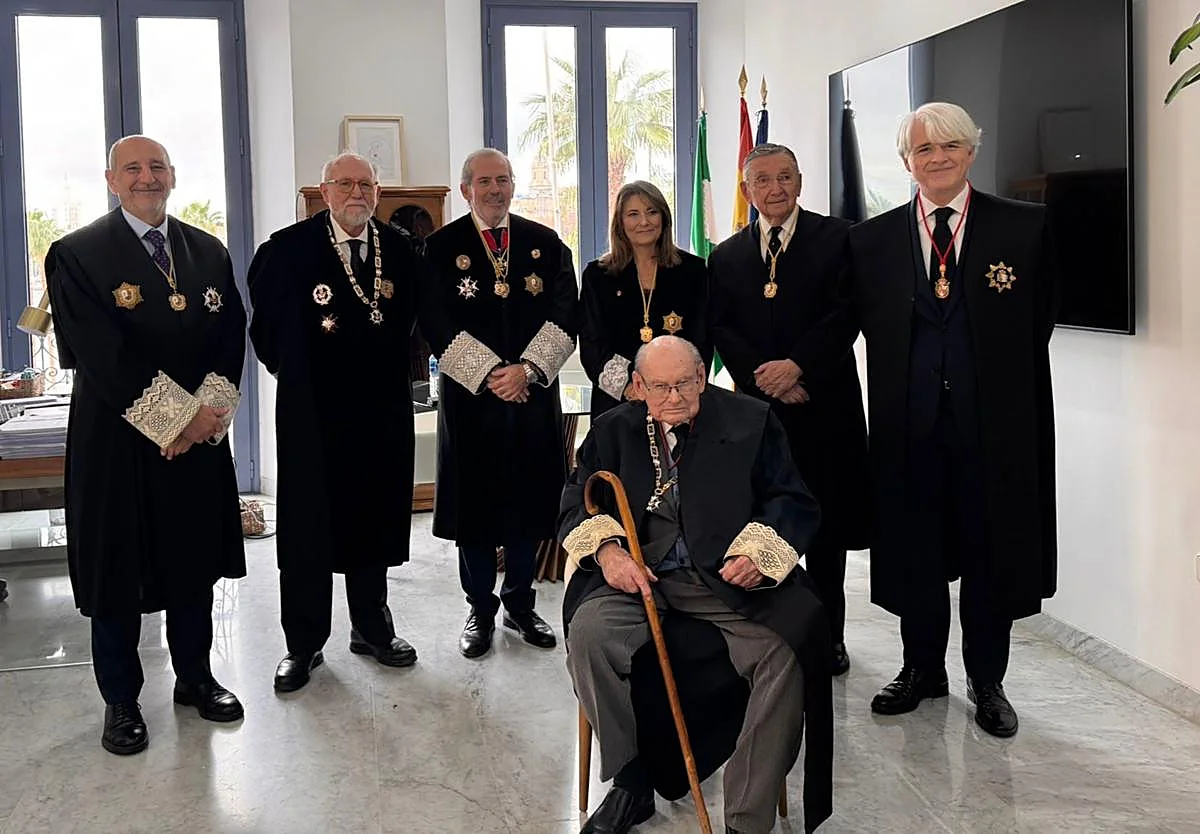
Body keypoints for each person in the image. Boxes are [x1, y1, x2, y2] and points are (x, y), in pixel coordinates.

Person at [559, 335, 832, 834]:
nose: (674, 397)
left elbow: (789, 498)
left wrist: (757, 550)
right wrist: (609, 551)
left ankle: (746, 819)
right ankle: (631, 782)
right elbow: (579, 499)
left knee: (787, 651)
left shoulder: (751, 420)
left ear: (703, 377)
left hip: (722, 579)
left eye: (685, 383)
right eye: (660, 387)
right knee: (590, 636)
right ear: (637, 386)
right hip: (639, 579)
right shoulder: (613, 431)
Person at [848, 102, 1058, 737]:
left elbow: (1038, 321)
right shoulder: (874, 239)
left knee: (990, 553)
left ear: (971, 152)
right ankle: (921, 671)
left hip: (994, 429)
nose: (936, 158)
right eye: (922, 149)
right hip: (906, 429)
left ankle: (986, 680)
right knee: (916, 550)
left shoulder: (1024, 227)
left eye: (949, 147)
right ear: (906, 161)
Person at [44, 135, 247, 755]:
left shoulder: (207, 250)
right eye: (132, 168)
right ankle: (122, 701)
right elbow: (103, 354)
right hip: (118, 445)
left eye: (157, 166)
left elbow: (230, 332)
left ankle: (195, 678)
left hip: (197, 443)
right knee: (117, 574)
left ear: (174, 176)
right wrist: (177, 422)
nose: (146, 177)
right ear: (112, 180)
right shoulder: (76, 255)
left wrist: (208, 415)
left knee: (193, 564)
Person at [248, 151, 423, 692]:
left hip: (381, 415)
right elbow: (267, 334)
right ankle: (303, 645)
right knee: (308, 529)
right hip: (312, 417)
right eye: (344, 183)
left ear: (377, 191)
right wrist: (306, 378)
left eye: (366, 184)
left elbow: (415, 324)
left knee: (373, 521)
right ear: (324, 192)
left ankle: (371, 628)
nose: (356, 193)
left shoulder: (398, 249)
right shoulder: (286, 251)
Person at [708, 143, 869, 676]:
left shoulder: (839, 238)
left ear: (799, 181)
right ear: (746, 189)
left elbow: (847, 314)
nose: (774, 190)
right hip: (759, 414)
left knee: (826, 530)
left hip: (826, 407)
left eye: (784, 178)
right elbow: (721, 327)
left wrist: (798, 367)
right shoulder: (727, 255)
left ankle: (829, 636)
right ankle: (774, 630)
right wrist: (766, 376)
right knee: (766, 521)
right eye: (762, 181)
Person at [421, 148, 579, 658]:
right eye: (484, 181)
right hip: (472, 401)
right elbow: (434, 322)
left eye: (503, 180)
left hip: (531, 396)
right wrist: (491, 374)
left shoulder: (544, 243)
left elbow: (565, 313)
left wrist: (526, 372)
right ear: (466, 188)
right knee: (476, 506)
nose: (495, 190)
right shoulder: (441, 248)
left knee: (530, 501)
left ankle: (520, 603)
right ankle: (480, 608)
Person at [579, 180, 709, 418]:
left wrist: (672, 390)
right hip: (617, 403)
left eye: (652, 212)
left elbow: (701, 337)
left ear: (664, 218)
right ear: (620, 222)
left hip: (677, 402)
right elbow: (592, 344)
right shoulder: (598, 276)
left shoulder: (693, 271)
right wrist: (632, 388)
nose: (644, 222)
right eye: (633, 214)